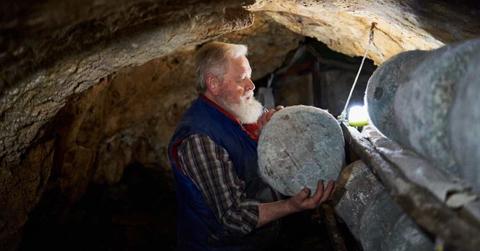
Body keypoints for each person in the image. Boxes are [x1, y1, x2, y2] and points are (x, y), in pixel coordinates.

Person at [168, 42, 335, 251]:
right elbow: (235, 217)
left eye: (249, 75)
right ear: (213, 84)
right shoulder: (199, 139)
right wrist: (291, 206)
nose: (251, 85)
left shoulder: (237, 111)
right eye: (241, 79)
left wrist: (273, 129)